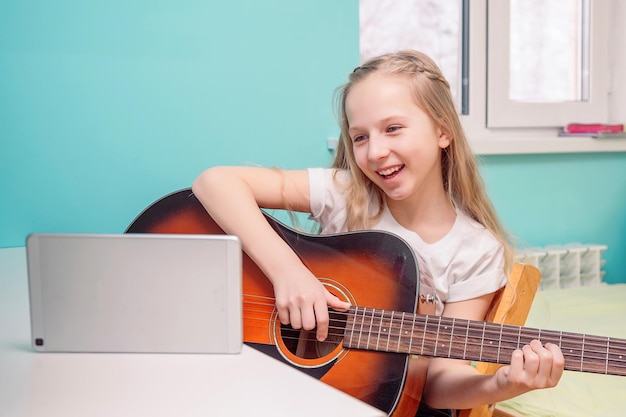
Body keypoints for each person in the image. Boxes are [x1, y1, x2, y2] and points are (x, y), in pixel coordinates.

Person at [192, 50, 564, 416]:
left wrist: (503, 384)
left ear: (443, 131)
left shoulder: (475, 250)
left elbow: (437, 384)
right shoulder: (344, 194)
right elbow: (215, 182)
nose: (375, 151)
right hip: (284, 387)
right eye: (360, 137)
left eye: (392, 129)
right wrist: (288, 273)